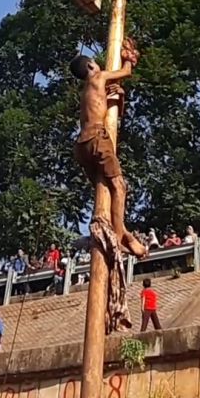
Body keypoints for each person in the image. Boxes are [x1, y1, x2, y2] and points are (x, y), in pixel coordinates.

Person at [70, 38, 146, 259]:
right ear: (92, 66)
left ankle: (118, 232)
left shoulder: (86, 91)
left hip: (82, 145)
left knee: (106, 190)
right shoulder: (99, 77)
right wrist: (129, 59)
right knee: (119, 186)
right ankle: (122, 235)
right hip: (97, 138)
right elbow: (125, 72)